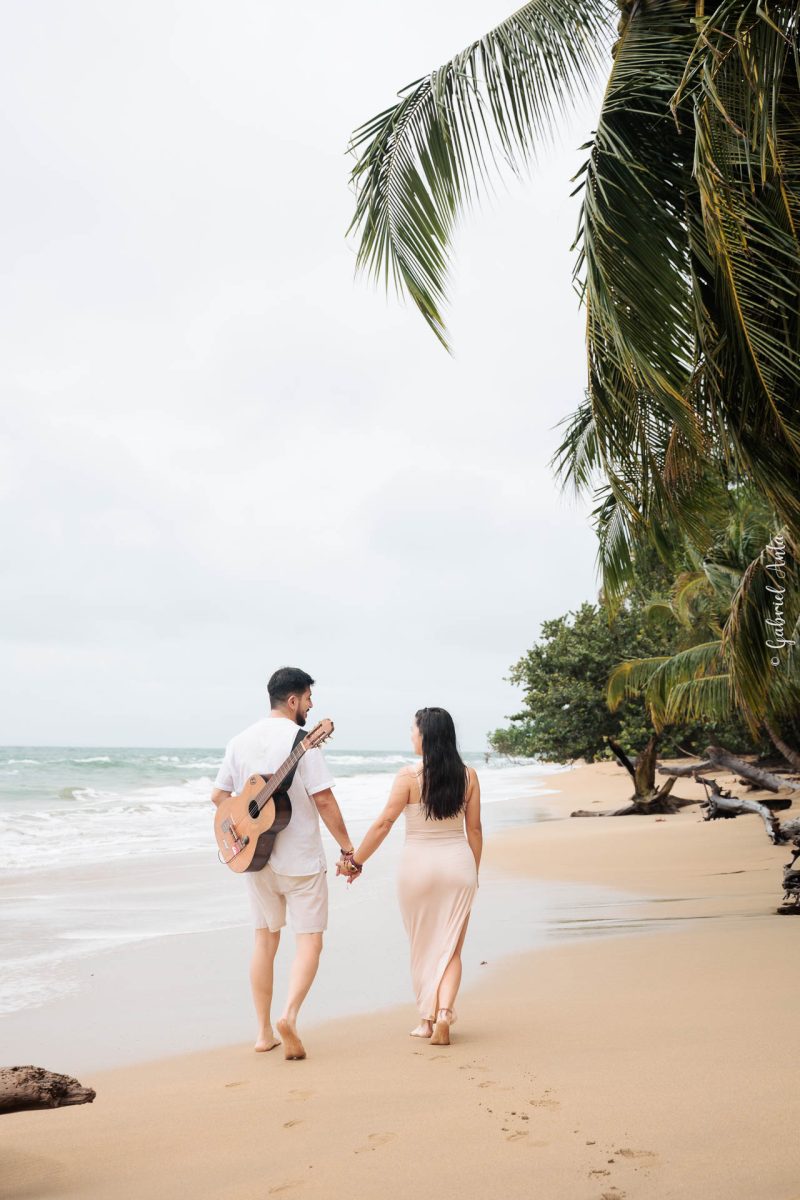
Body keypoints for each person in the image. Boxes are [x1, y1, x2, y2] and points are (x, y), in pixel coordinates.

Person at [211, 667, 356, 1061]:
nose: (311, 706)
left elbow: (219, 795)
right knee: (308, 940)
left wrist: (242, 826)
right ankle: (288, 1015)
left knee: (264, 939)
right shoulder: (301, 741)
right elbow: (324, 800)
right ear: (292, 700)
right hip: (301, 859)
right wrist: (347, 848)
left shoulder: (239, 740)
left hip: (253, 857)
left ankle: (262, 1033)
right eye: (308, 698)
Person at [338, 707, 482, 1046]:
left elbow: (384, 823)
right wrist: (473, 873)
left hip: (417, 867)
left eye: (414, 730)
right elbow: (474, 829)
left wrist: (355, 862)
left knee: (422, 945)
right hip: (458, 865)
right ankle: (445, 1012)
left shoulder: (408, 776)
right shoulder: (469, 776)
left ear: (426, 736)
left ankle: (425, 1021)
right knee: (451, 949)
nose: (411, 736)